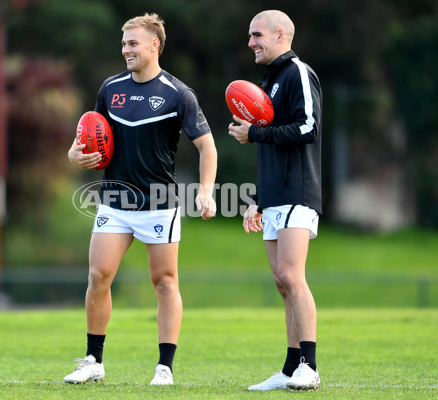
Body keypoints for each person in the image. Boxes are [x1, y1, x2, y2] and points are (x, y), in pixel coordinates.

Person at [64, 13, 217, 386]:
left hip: (159, 204)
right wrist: (74, 155)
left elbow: (207, 146)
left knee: (164, 282)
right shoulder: (110, 89)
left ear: (154, 45)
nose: (125, 49)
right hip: (114, 201)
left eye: (133, 43)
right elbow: (86, 135)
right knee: (99, 275)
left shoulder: (179, 94)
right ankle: (93, 361)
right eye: (123, 43)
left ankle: (164, 368)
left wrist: (206, 191)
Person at [228, 10, 322, 391]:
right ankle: (289, 369)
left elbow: (308, 128)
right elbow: (269, 146)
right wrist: (258, 199)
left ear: (280, 34)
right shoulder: (269, 80)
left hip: (298, 191)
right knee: (282, 283)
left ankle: (310, 367)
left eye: (256, 35)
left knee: (290, 275)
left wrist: (255, 134)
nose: (250, 42)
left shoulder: (298, 72)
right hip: (274, 196)